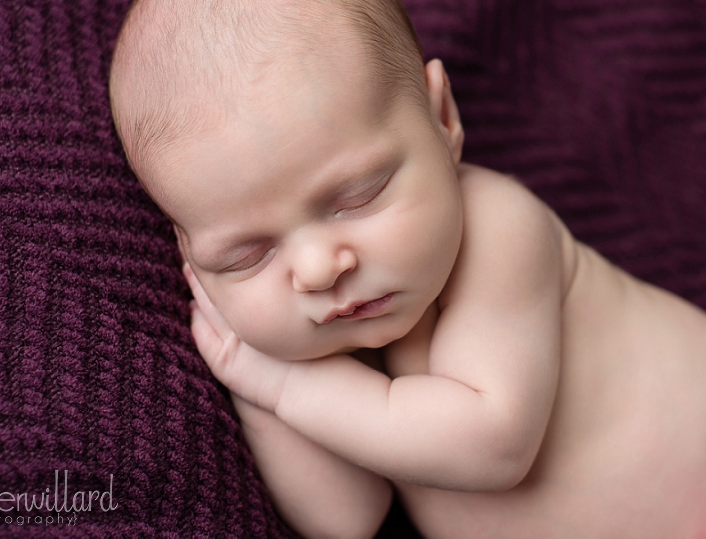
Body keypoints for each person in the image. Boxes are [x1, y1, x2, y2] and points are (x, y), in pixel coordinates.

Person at [108, 0, 706, 536]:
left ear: (442, 118)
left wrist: (284, 386)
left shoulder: (498, 228)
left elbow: (493, 445)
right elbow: (343, 518)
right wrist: (258, 373)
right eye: (246, 255)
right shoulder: (331, 338)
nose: (318, 270)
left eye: (359, 196)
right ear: (189, 255)